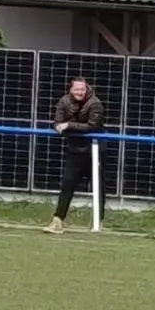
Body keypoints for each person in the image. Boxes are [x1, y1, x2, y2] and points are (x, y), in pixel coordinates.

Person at [44, 77, 106, 235]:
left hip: (94, 149)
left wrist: (69, 126)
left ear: (87, 89)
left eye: (82, 89)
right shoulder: (64, 101)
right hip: (74, 150)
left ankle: (99, 222)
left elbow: (93, 126)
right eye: (77, 89)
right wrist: (62, 126)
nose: (80, 92)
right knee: (67, 185)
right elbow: (57, 123)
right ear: (71, 90)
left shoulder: (95, 103)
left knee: (98, 186)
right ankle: (58, 220)